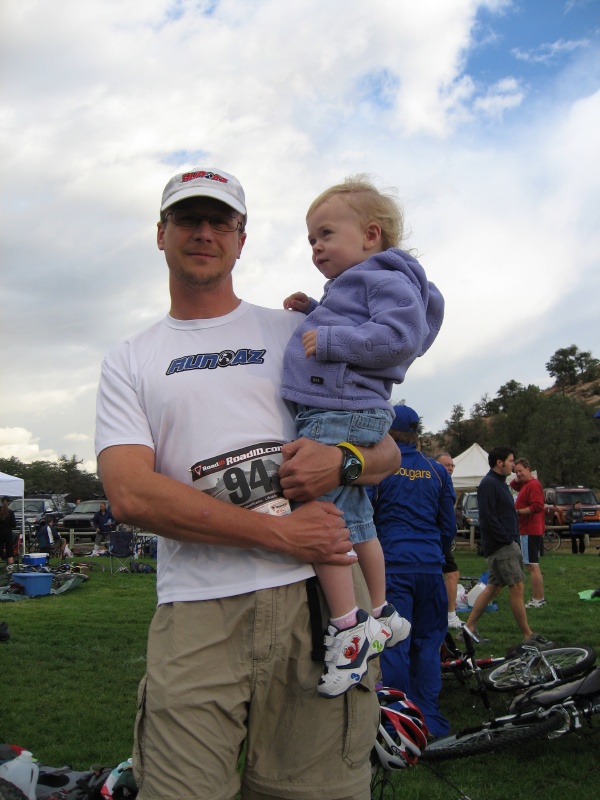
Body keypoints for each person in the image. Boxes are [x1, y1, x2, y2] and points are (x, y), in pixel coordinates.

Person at [95, 166, 401, 800]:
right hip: (197, 613)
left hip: (315, 606)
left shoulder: (296, 332)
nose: (203, 233)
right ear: (161, 234)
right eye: (188, 220)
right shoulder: (131, 358)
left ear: (241, 238)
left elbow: (387, 451)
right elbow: (129, 494)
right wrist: (281, 534)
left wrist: (341, 460)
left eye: (220, 222)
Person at [282, 175, 444, 696]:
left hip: (339, 415)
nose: (316, 247)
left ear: (371, 235)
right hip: (345, 411)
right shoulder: (363, 281)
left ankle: (349, 631)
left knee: (323, 522)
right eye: (311, 240)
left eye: (325, 234)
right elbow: (355, 322)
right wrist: (313, 309)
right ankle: (381, 612)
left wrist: (325, 337)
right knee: (357, 520)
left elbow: (397, 338)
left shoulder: (386, 277)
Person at [369, 405, 455, 738]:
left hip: (391, 568)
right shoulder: (437, 471)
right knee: (428, 643)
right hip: (430, 567)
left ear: (386, 432)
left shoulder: (378, 468)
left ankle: (396, 722)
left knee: (394, 643)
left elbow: (365, 520)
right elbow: (448, 525)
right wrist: (436, 554)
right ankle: (430, 719)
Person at [462, 447, 554, 650]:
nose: (514, 466)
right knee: (518, 586)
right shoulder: (489, 484)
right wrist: (506, 539)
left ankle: (468, 628)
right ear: (499, 462)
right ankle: (528, 635)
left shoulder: (499, 483)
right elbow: (487, 517)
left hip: (504, 542)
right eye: (511, 461)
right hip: (502, 545)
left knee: (492, 587)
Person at [510, 458, 546, 608]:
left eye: (520, 471)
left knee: (532, 565)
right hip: (526, 530)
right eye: (516, 471)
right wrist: (518, 477)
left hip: (530, 529)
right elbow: (512, 484)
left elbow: (538, 506)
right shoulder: (525, 484)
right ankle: (538, 598)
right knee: (531, 564)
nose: (518, 474)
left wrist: (517, 512)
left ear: (528, 469)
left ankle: (538, 599)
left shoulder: (533, 485)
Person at [435, 452, 461, 629]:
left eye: (452, 465)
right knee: (451, 574)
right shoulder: (436, 482)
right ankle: (450, 615)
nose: (450, 468)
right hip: (435, 538)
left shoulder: (444, 482)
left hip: (437, 539)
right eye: (446, 465)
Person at [0, 497, 17, 572]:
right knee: (9, 550)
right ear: (9, 502)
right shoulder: (11, 512)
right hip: (8, 533)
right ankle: (10, 569)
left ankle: (2, 557)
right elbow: (14, 525)